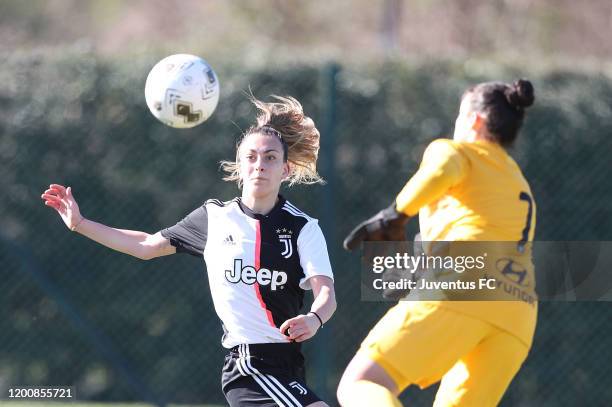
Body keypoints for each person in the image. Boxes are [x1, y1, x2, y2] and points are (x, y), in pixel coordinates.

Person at [41, 96, 336, 407]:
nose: (259, 165)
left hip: (289, 365)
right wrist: (81, 224)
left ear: (286, 170)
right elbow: (146, 246)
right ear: (240, 164)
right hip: (250, 365)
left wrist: (314, 319)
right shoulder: (214, 218)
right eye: (250, 157)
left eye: (270, 158)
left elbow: (326, 294)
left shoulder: (303, 227)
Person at [337, 79, 537, 407]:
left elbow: (443, 169)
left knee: (362, 383)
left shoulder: (458, 150)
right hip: (519, 311)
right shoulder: (517, 180)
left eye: (460, 117)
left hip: (464, 284)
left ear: (475, 121)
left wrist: (395, 214)